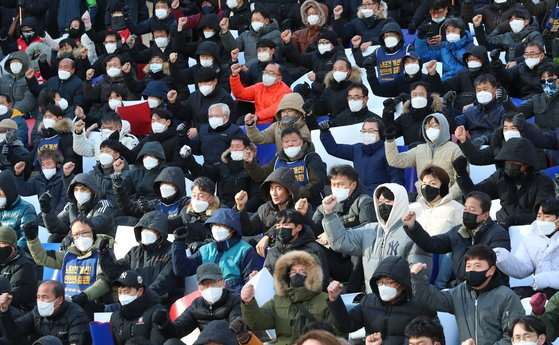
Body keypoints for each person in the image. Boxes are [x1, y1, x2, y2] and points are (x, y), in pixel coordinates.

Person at [322, 183, 432, 293]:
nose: (383, 206)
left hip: (401, 302)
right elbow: (340, 241)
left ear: (399, 204)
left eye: (388, 202)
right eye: (379, 202)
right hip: (373, 300)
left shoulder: (414, 233)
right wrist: (329, 213)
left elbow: (418, 276)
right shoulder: (369, 230)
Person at [410, 244, 524, 345]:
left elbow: (514, 336)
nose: (472, 270)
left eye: (478, 266)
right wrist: (418, 280)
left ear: (491, 270)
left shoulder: (507, 297)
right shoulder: (459, 292)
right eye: (469, 266)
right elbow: (433, 299)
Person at [404, 191, 510, 285]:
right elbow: (432, 244)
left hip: (490, 290)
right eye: (465, 209)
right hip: (461, 289)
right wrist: (412, 226)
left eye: (472, 210)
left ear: (485, 215)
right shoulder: (458, 232)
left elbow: (494, 267)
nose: (467, 213)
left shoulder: (498, 234)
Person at [327, 256, 434, 345]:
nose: (383, 286)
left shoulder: (419, 308)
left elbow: (434, 339)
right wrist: (334, 299)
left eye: (388, 282)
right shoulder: (368, 301)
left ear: (402, 285)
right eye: (380, 282)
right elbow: (345, 325)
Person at [453, 137, 555, 228]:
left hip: (530, 230)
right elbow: (475, 196)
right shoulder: (500, 176)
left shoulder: (543, 182)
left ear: (527, 164)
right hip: (502, 226)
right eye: (507, 162)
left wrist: (515, 220)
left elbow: (544, 215)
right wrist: (462, 175)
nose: (510, 166)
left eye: (515, 163)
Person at [240, 250, 336, 345]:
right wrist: (248, 303)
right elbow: (258, 322)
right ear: (286, 275)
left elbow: (336, 337)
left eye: (302, 271)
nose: (297, 275)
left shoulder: (326, 301)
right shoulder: (279, 300)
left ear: (313, 275)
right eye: (293, 272)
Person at [25, 217, 112, 313]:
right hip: (68, 307)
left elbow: (104, 283)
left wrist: (84, 296)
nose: (81, 237)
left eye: (85, 232)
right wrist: (32, 239)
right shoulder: (68, 256)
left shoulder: (104, 253)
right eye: (76, 234)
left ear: (93, 233)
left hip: (92, 308)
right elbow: (42, 257)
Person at [98, 211, 184, 306]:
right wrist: (104, 255)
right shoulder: (135, 252)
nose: (145, 232)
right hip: (134, 301)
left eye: (150, 229)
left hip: (161, 304)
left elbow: (163, 283)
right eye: (143, 229)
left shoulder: (172, 251)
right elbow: (116, 273)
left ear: (160, 232)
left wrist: (140, 297)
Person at [172, 208, 261, 291]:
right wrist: (179, 242)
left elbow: (250, 285)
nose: (217, 229)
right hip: (207, 300)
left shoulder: (245, 250)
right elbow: (182, 269)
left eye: (221, 226)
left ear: (232, 229)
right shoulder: (205, 250)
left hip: (234, 301)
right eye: (214, 225)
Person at [385, 113, 465, 200]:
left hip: (449, 201)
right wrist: (390, 140)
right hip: (423, 201)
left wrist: (446, 197)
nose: (430, 129)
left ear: (443, 127)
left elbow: (462, 181)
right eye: (427, 126)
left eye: (434, 125)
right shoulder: (419, 149)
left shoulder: (455, 150)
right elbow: (396, 161)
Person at [152, 263, 242, 341]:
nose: (209, 287)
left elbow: (236, 320)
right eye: (204, 284)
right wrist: (163, 324)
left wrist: (237, 325)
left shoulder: (235, 299)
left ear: (223, 283)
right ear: (198, 287)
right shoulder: (196, 306)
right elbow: (178, 330)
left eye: (213, 282)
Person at [319, 118, 404, 196]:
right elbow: (334, 149)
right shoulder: (357, 149)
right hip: (359, 197)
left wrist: (389, 195)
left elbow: (396, 177)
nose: (366, 133)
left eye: (371, 131)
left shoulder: (388, 151)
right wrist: (325, 132)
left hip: (379, 197)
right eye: (364, 131)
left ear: (381, 133)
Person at [409, 166, 463, 288]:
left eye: (432, 183)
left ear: (443, 187)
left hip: (440, 253)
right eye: (424, 183)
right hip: (416, 252)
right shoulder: (413, 208)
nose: (427, 187)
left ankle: (439, 287)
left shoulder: (456, 208)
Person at [243, 128, 327, 207]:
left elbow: (317, 182)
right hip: (284, 206)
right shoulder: (277, 160)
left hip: (311, 205)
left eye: (294, 140)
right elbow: (260, 175)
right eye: (286, 141)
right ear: (282, 144)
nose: (290, 144)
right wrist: (250, 163)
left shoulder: (311, 158)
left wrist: (294, 195)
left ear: (301, 142)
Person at [493, 198, 559, 298]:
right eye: (539, 216)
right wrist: (501, 257)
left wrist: (544, 279)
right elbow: (523, 267)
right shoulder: (531, 238)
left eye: (547, 216)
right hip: (540, 290)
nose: (541, 220)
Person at [0, 280, 90, 345]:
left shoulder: (76, 316)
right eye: (38, 297)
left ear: (59, 300)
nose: (40, 301)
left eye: (45, 297)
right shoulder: (36, 312)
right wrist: (4, 311)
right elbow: (12, 334)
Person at [41, 173, 115, 243]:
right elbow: (57, 227)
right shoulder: (71, 206)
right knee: (54, 238)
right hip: (78, 243)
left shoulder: (103, 205)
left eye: (83, 189)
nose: (79, 193)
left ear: (92, 191)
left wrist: (72, 235)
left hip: (100, 244)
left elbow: (98, 225)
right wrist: (47, 211)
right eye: (76, 190)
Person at [264, 208, 328, 280]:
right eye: (278, 225)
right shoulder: (273, 252)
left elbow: (322, 281)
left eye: (286, 225)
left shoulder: (313, 250)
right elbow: (266, 278)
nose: (281, 229)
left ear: (298, 227)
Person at [110, 270, 166, 345]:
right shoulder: (115, 316)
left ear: (140, 291)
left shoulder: (156, 313)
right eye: (119, 292)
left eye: (127, 292)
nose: (122, 296)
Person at [382, 81, 444, 146]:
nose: (418, 97)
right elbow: (390, 132)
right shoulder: (405, 117)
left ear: (428, 95)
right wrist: (388, 112)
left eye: (421, 94)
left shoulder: (438, 116)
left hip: (433, 154)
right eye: (414, 95)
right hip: (410, 154)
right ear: (410, 97)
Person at [473, 9, 544, 64]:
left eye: (517, 19)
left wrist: (516, 62)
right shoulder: (507, 36)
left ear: (526, 21)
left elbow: (536, 54)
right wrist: (478, 26)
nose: (514, 22)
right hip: (510, 72)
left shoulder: (535, 35)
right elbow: (486, 44)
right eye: (511, 20)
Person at [245, 93, 311, 152]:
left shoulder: (309, 125)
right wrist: (250, 125)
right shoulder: (276, 127)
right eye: (283, 111)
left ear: (299, 112)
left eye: (290, 111)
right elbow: (259, 138)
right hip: (282, 163)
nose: (286, 114)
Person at [14, 149, 69, 217]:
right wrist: (18, 174)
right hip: (44, 218)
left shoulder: (65, 179)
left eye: (48, 164)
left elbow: (63, 203)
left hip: (60, 219)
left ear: (58, 165)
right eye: (43, 165)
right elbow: (23, 190)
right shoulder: (39, 179)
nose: (45, 167)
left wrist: (51, 220)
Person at [453, 74, 507, 140]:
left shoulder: (503, 109)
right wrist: (447, 107)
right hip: (475, 147)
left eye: (485, 89)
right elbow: (454, 125)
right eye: (478, 90)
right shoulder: (471, 111)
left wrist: (485, 139)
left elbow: (504, 131)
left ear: (495, 90)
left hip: (495, 145)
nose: (482, 92)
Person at [0, 225, 37, 312]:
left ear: (13, 245)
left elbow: (14, 297)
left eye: (3, 243)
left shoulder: (25, 265)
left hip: (19, 312)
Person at [175, 176, 222, 243]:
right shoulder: (186, 211)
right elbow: (174, 222)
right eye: (194, 195)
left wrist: (203, 245)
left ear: (211, 199)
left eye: (201, 196)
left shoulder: (220, 214)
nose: (196, 199)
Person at [73, 112, 139, 160]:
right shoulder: (99, 138)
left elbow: (132, 161)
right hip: (100, 174)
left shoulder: (131, 140)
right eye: (104, 128)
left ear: (119, 127)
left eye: (110, 128)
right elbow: (82, 149)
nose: (106, 130)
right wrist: (78, 133)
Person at [0, 170, 38, 250]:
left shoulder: (26, 209)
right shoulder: (1, 209)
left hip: (17, 256)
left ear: (8, 191)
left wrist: (9, 252)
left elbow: (27, 240)